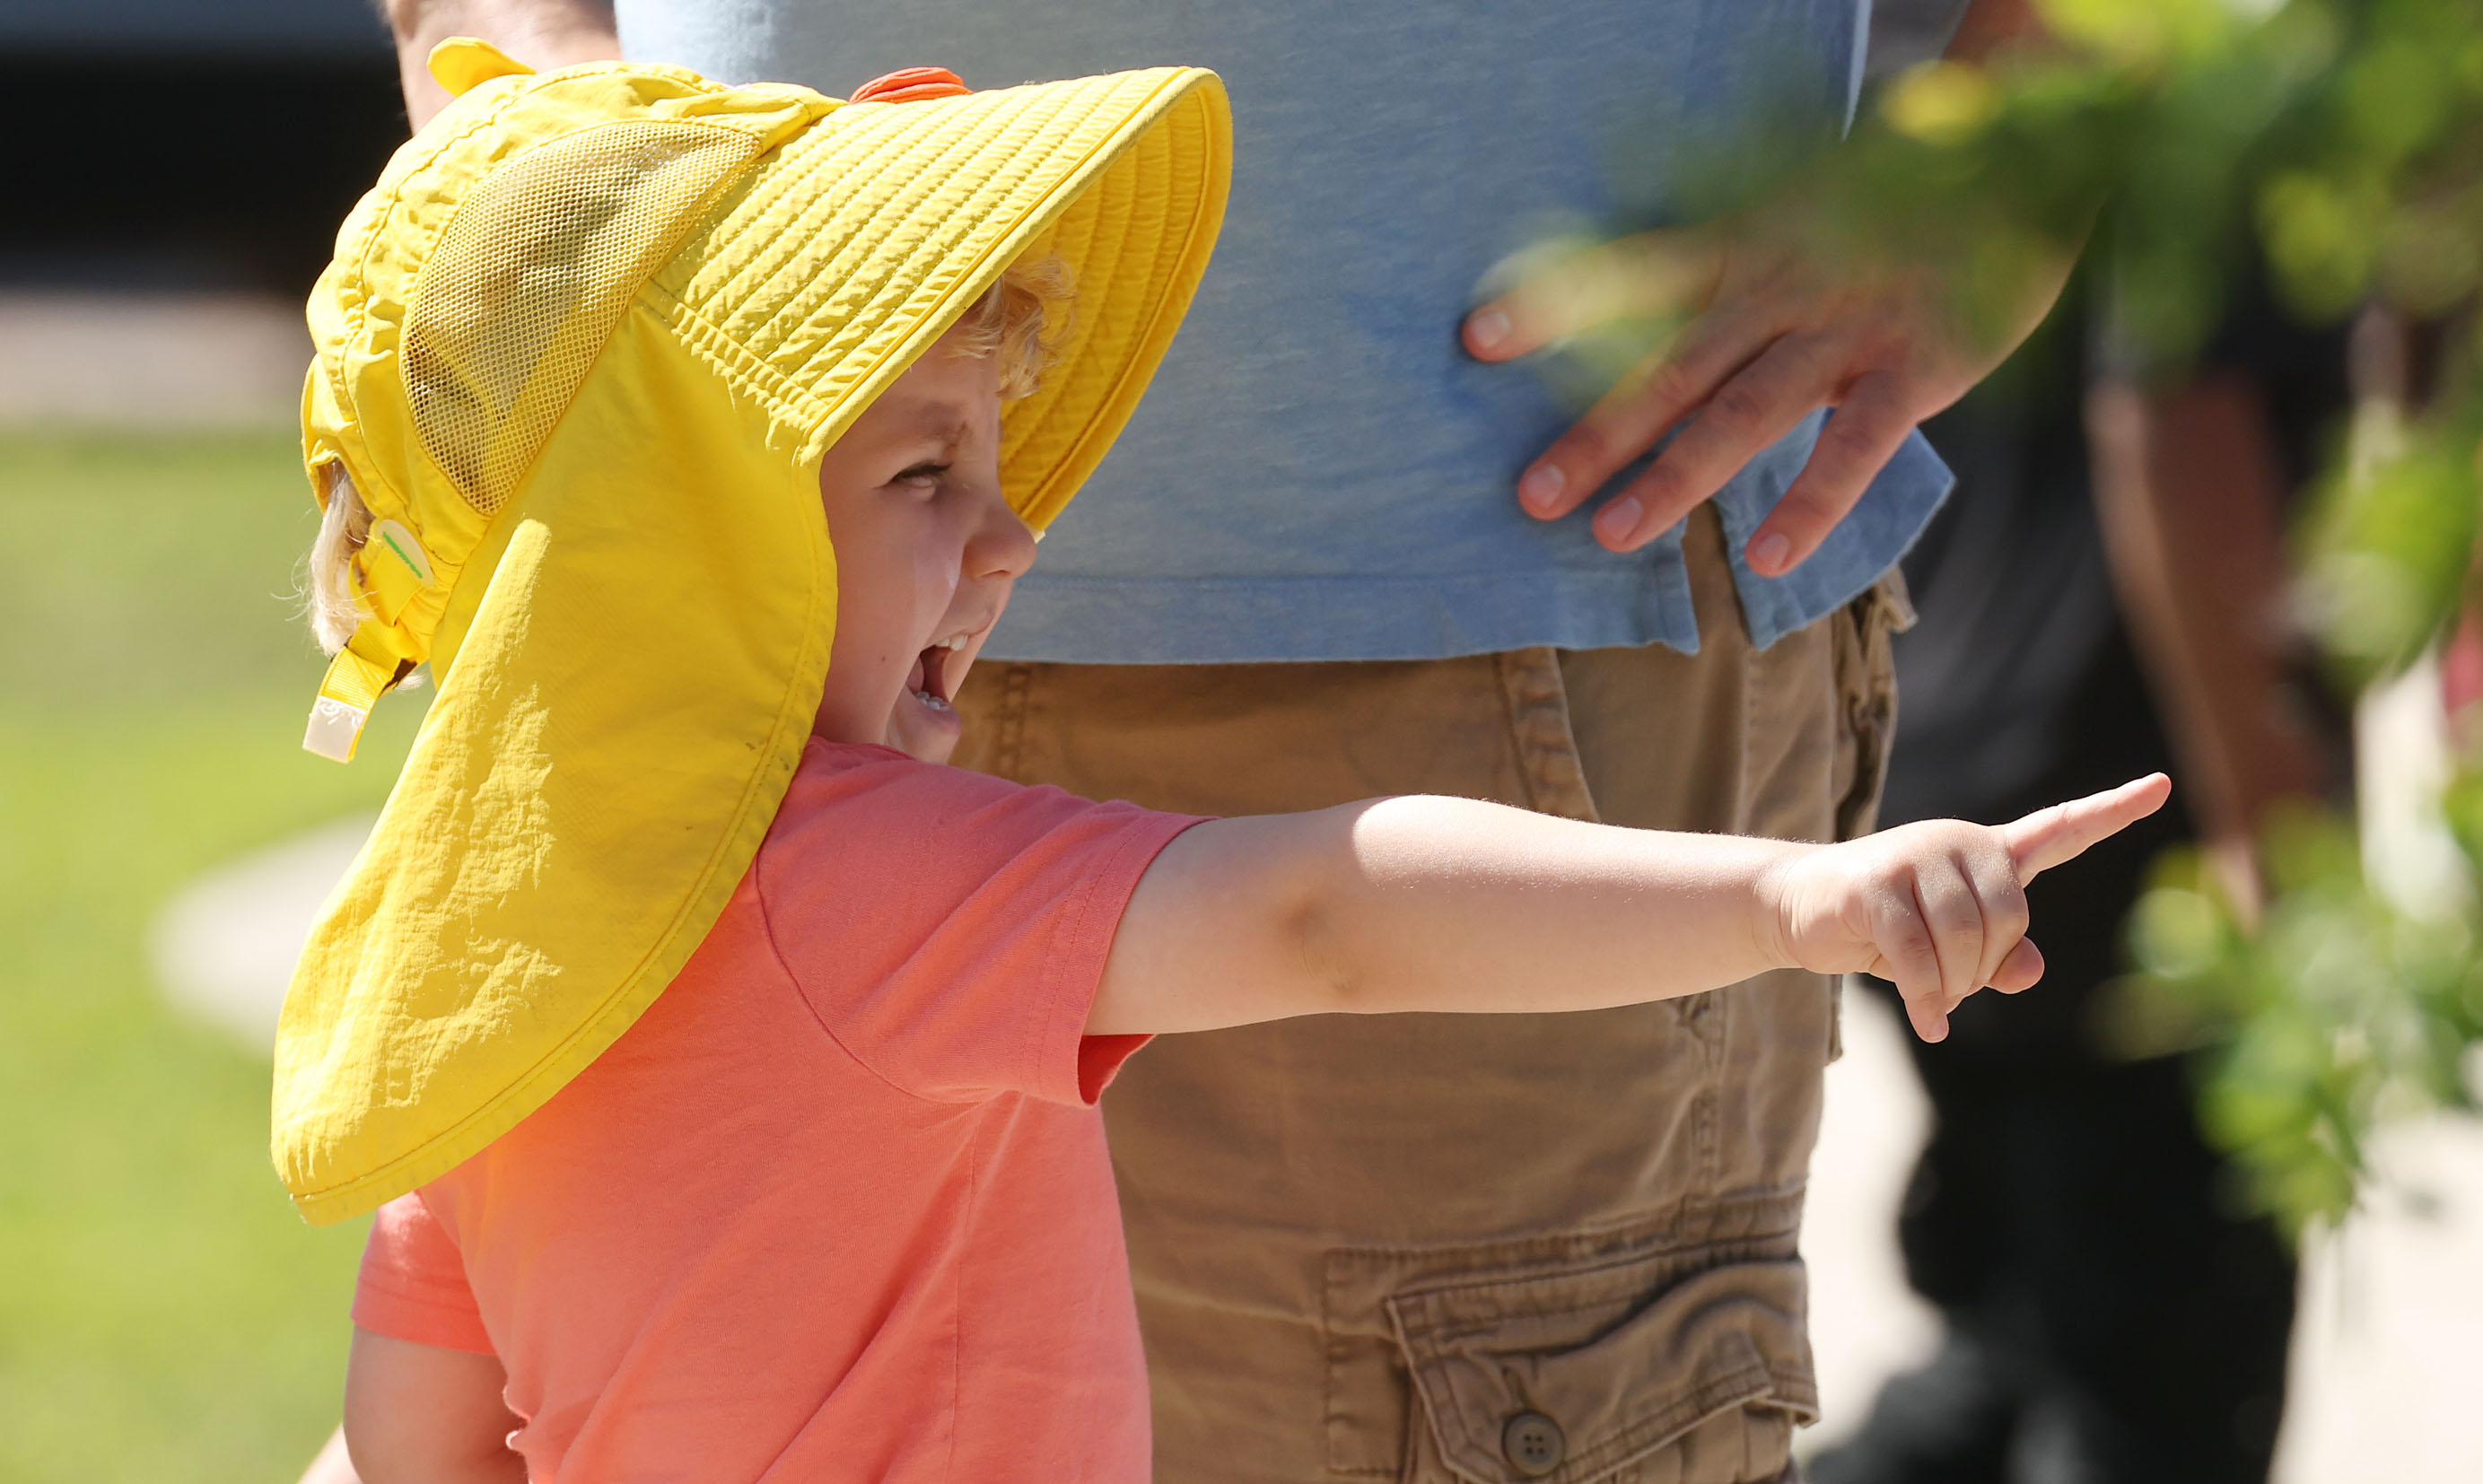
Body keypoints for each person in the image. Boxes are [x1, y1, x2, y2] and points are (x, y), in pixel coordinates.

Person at [293, 40, 2162, 1484]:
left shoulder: (465, 978)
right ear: (666, 539)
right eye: (925, 474)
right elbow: (1322, 908)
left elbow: (423, 1444)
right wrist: (1778, 895)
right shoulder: (844, 876)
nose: (1016, 538)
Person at [1807, 272, 2343, 1482]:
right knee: (2159, 1389)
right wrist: (2277, 843)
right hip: (2112, 824)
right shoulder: (2214, 105)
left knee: (2022, 1333)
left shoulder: (1966, 87)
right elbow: (2172, 406)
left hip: (1920, 758)